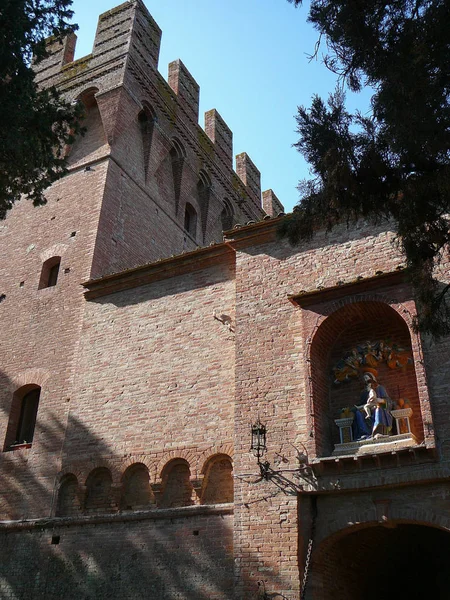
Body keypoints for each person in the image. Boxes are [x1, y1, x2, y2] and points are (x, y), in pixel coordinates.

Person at [354, 371, 393, 437]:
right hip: (369, 407)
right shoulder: (364, 392)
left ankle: (379, 431)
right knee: (358, 413)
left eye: (367, 378)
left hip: (380, 405)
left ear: (372, 378)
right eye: (365, 379)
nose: (366, 380)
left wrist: (380, 400)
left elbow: (388, 401)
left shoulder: (380, 388)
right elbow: (362, 403)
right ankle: (365, 433)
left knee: (378, 408)